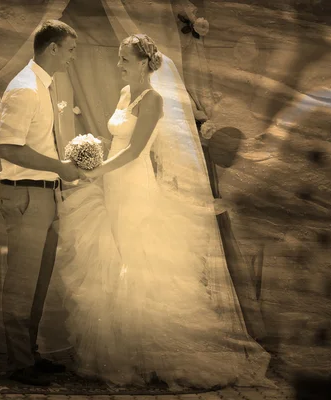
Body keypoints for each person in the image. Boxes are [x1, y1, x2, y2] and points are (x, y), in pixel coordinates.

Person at [54, 34, 275, 389]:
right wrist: (94, 150)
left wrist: (99, 170)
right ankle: (126, 353)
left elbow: (136, 151)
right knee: (114, 257)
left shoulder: (153, 100)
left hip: (134, 187)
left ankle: (162, 354)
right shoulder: (126, 94)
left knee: (138, 262)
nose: (119, 65)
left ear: (143, 63)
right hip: (113, 184)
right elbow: (119, 141)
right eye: (119, 58)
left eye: (124, 59)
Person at [0, 20, 80, 386]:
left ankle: (28, 354)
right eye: (70, 50)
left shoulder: (42, 85)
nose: (72, 57)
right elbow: (8, 147)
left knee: (39, 283)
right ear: (52, 49)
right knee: (22, 282)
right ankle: (19, 363)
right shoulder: (25, 89)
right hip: (26, 193)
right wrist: (60, 167)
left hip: (44, 194)